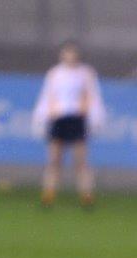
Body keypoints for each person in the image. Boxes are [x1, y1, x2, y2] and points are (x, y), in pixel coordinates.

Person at [32, 40, 106, 208]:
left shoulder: (86, 73)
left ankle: (86, 195)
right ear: (62, 55)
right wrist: (40, 117)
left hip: (77, 119)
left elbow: (93, 96)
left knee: (80, 161)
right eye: (67, 52)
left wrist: (96, 118)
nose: (70, 56)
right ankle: (48, 194)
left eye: (73, 53)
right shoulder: (54, 74)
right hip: (59, 118)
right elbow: (46, 96)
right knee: (54, 160)